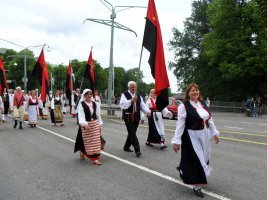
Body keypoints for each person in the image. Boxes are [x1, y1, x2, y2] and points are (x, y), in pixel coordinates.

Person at [171, 83, 220, 198]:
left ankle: (183, 167)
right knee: (198, 160)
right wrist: (176, 141)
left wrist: (215, 133)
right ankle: (197, 185)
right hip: (192, 135)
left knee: (205, 157)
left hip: (205, 134)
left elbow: (210, 119)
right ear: (188, 93)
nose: (195, 92)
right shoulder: (184, 106)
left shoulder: (203, 103)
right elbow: (180, 124)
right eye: (192, 90)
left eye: (197, 90)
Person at [119, 81, 151, 157]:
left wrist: (147, 111)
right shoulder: (125, 94)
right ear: (129, 87)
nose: (134, 88)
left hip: (136, 116)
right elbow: (122, 105)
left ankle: (126, 146)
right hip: (128, 116)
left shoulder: (138, 95)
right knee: (132, 133)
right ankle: (137, 150)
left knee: (132, 132)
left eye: (135, 86)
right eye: (132, 87)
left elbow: (142, 105)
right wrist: (130, 101)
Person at [74, 89, 103, 165]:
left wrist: (99, 125)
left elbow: (97, 115)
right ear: (84, 95)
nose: (89, 95)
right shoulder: (82, 104)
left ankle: (95, 158)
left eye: (90, 94)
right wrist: (84, 123)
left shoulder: (95, 104)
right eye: (87, 94)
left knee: (96, 141)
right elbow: (81, 115)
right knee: (86, 141)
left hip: (94, 124)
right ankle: (87, 154)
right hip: (86, 124)